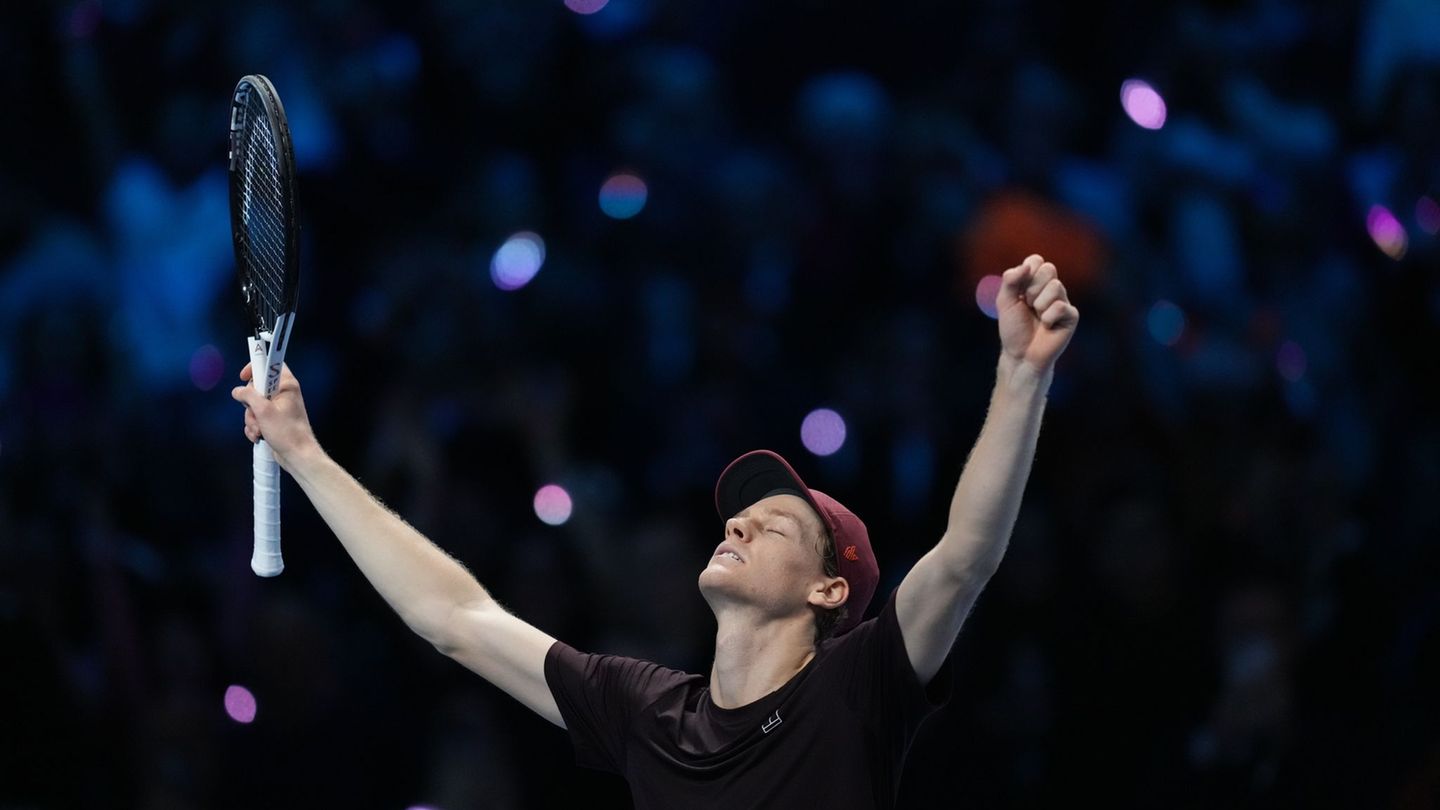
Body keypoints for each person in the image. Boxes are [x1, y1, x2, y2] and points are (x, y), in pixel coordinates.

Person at [231, 254, 1079, 808]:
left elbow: (965, 556)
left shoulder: (856, 689)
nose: (739, 522)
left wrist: (1020, 373)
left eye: (777, 524)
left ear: (829, 591)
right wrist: (306, 455)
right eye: (742, 514)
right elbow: (455, 620)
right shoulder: (645, 712)